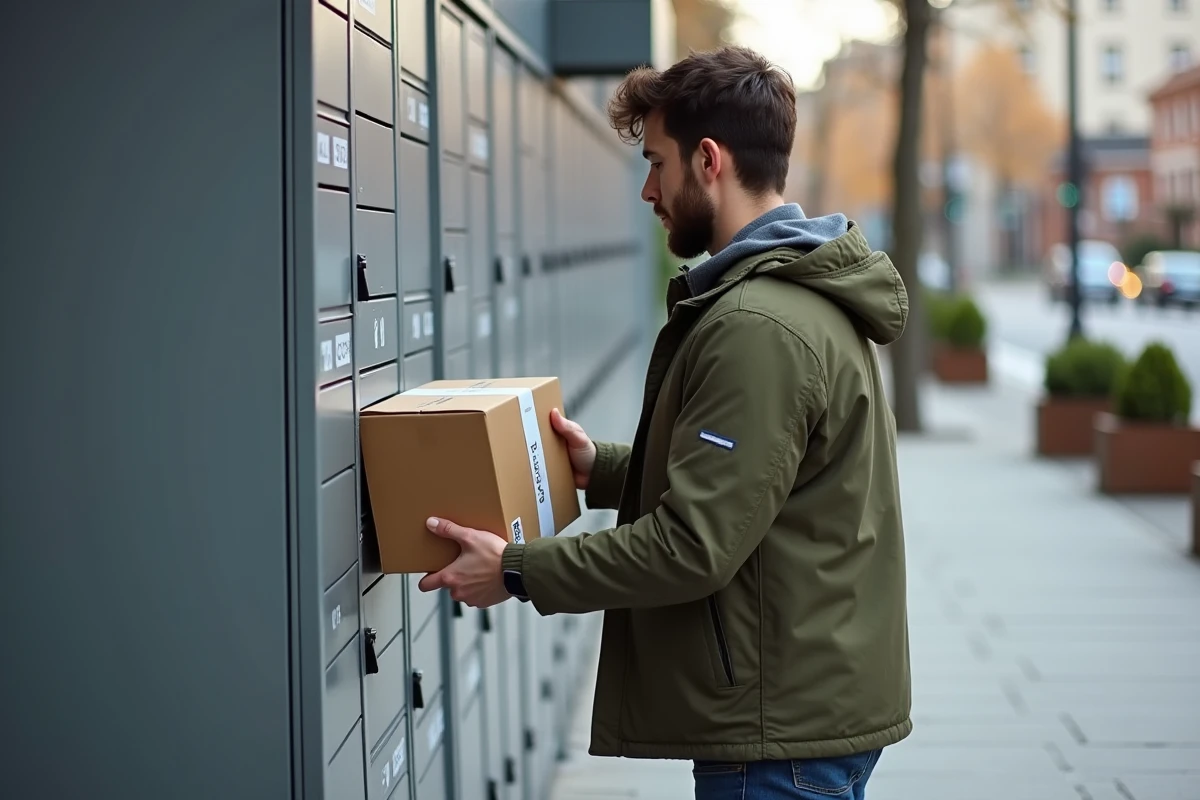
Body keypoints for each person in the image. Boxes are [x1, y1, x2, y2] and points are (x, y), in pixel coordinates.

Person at [418, 45, 912, 800]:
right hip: (798, 707)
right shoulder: (795, 297)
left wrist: (517, 570)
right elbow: (766, 480)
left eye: (657, 163)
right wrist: (607, 468)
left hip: (775, 735)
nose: (648, 189)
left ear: (708, 160)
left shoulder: (758, 326)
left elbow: (692, 547)